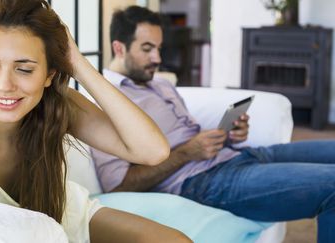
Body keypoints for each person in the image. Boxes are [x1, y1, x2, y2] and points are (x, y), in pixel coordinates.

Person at [0, 1, 194, 243]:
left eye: (25, 69)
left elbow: (152, 152)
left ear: (49, 75)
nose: (5, 85)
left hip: (63, 212)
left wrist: (78, 64)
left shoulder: (58, 105)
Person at [90, 5, 335, 243]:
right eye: (147, 49)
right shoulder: (108, 103)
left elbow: (188, 135)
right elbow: (118, 186)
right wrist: (186, 153)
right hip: (205, 181)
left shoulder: (160, 84)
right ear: (119, 48)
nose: (158, 58)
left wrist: (227, 135)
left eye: (159, 48)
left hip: (238, 156)